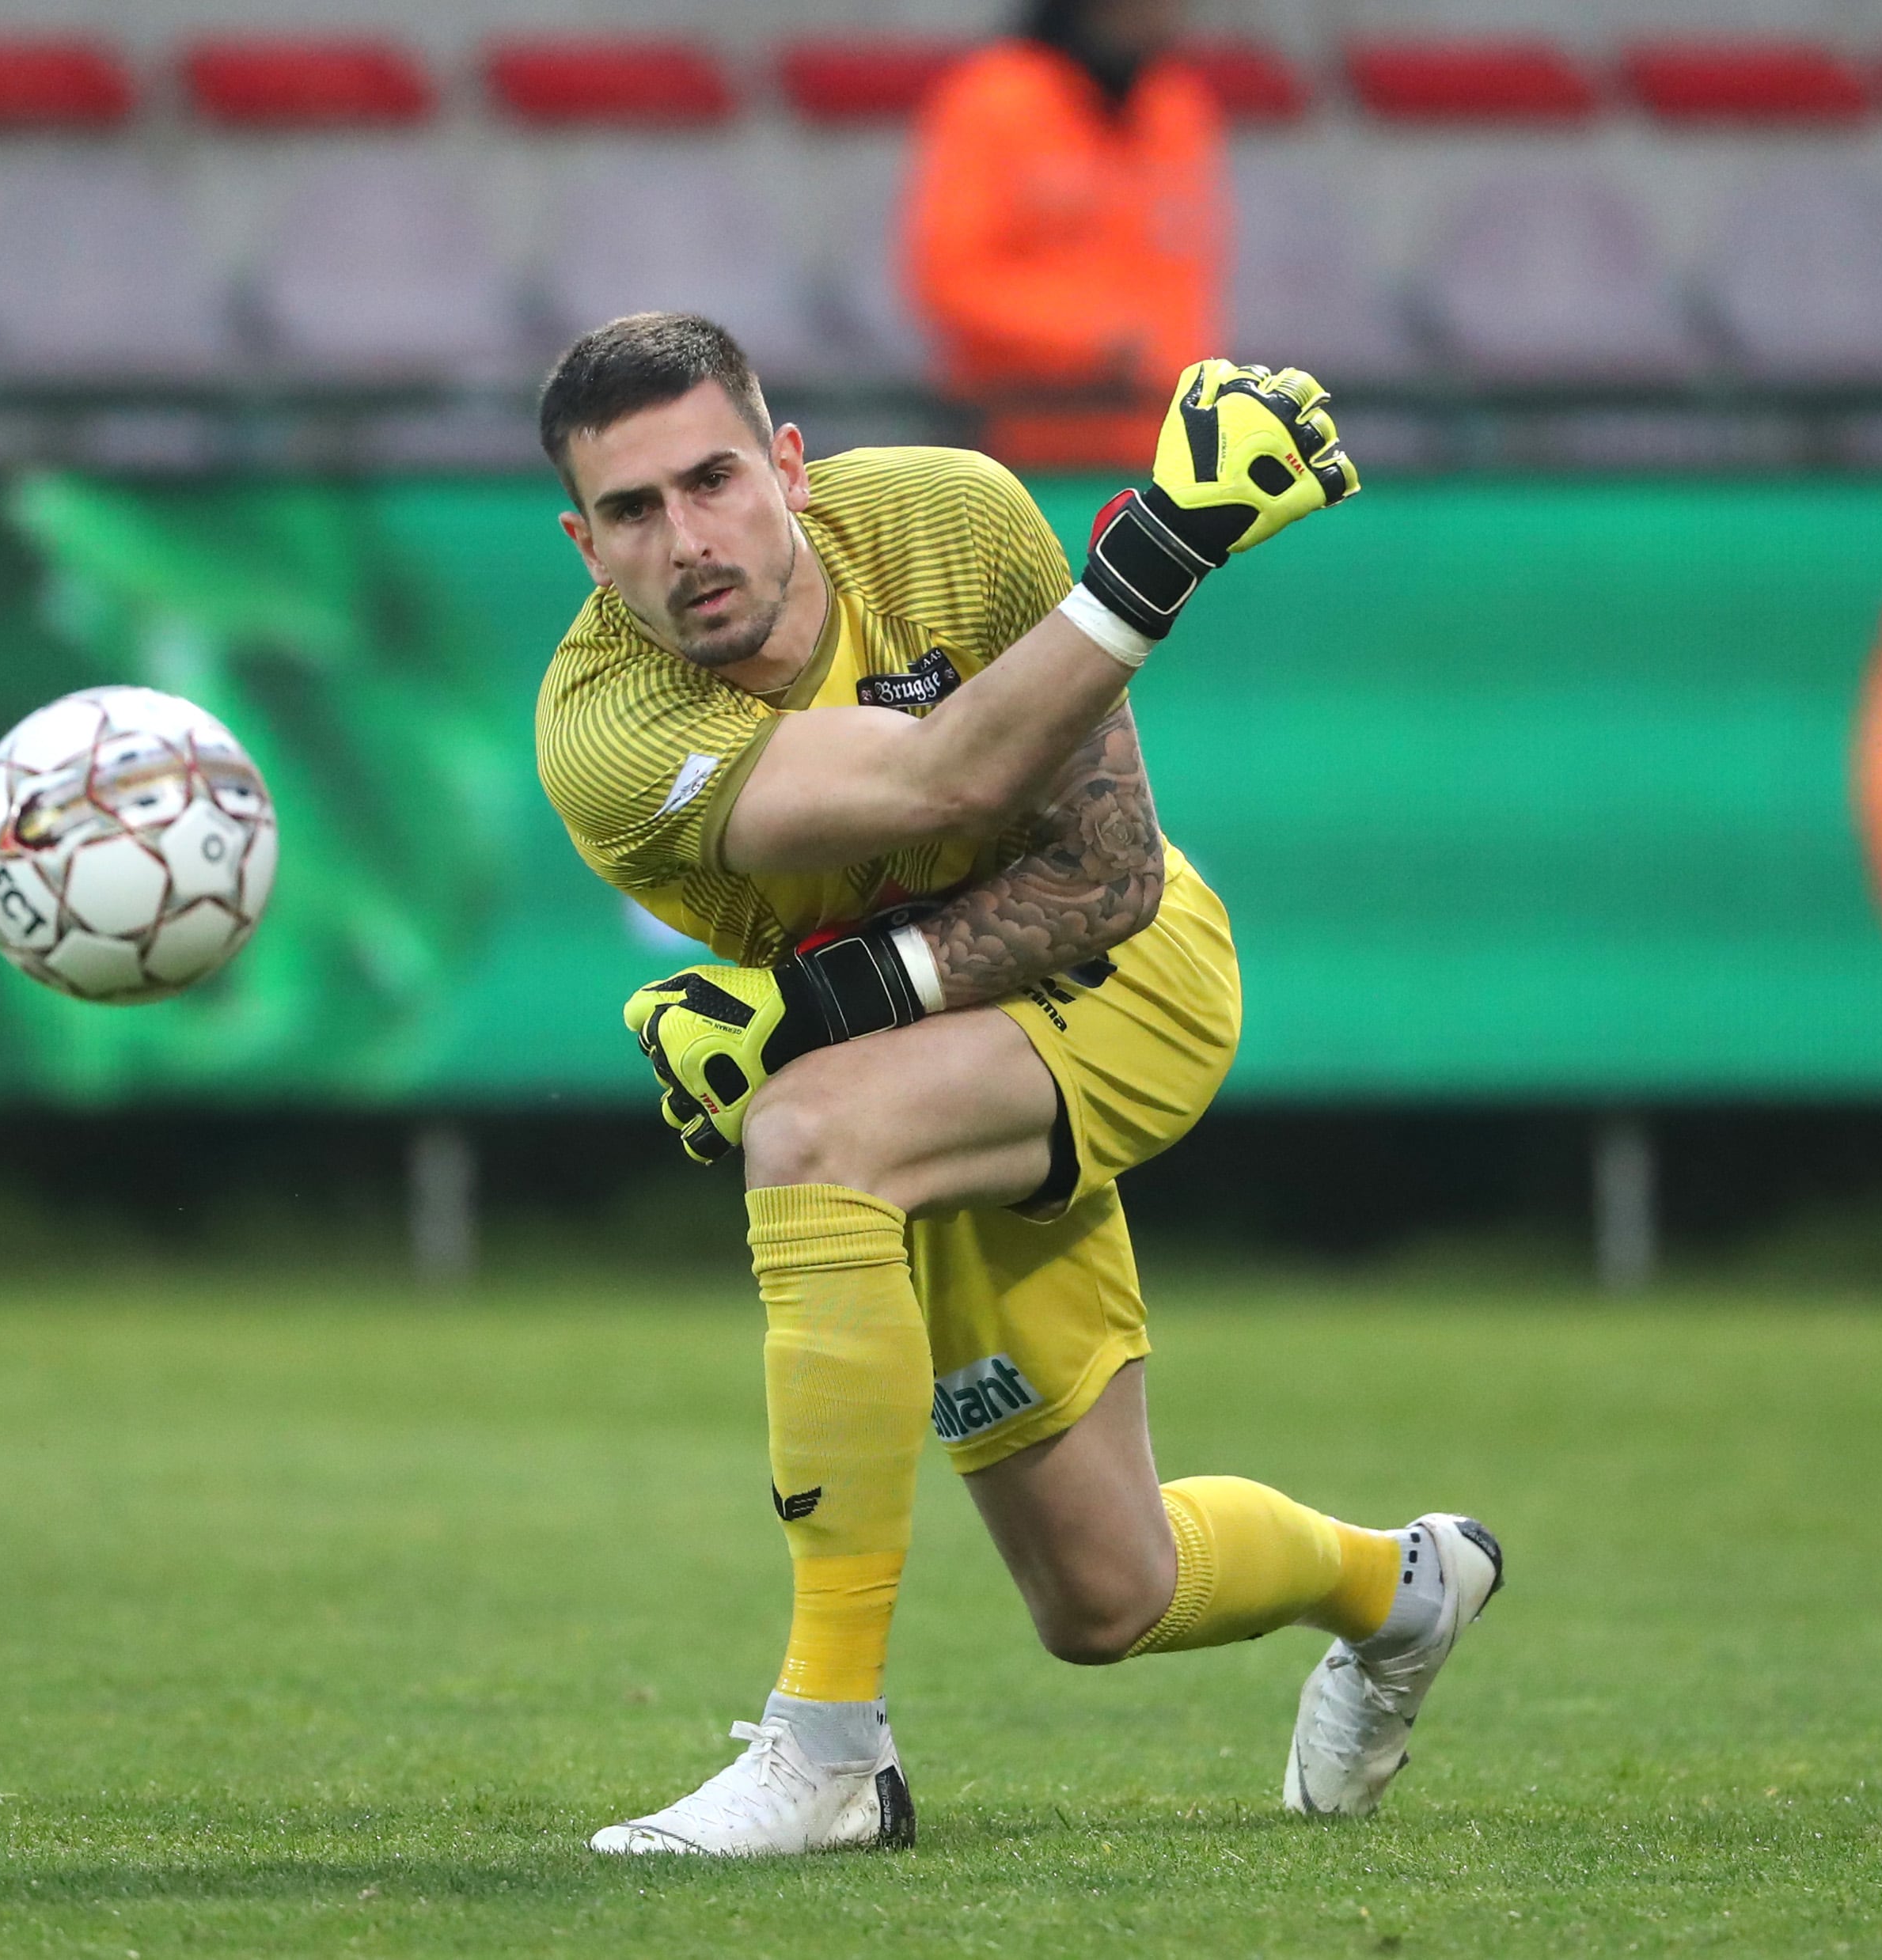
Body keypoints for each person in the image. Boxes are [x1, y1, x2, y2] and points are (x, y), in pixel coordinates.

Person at [531, 311, 1499, 1856]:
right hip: (937, 1049)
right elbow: (935, 782)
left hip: (1134, 980)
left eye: (711, 478)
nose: (685, 538)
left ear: (786, 464)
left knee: (805, 1131)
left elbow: (1105, 871)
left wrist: (805, 1009)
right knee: (1104, 1594)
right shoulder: (604, 732)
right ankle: (1401, 1585)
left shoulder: (947, 516)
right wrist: (1159, 551)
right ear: (584, 545)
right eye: (632, 512)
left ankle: (829, 1747)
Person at [902, 0, 1227, 468]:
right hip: (1020, 454)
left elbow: (1189, 278)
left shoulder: (1177, 104)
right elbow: (949, 279)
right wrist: (1093, 339)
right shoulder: (995, 97)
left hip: (1159, 453)